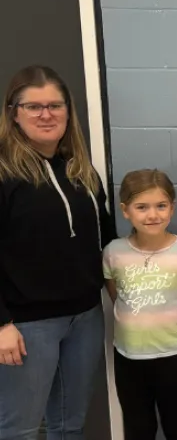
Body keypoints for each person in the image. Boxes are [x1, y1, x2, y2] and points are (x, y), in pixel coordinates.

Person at [0, 65, 117, 439]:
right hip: (26, 325)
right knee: (19, 429)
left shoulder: (81, 171)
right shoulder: (4, 173)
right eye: (33, 106)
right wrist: (1, 324)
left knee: (70, 425)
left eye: (55, 105)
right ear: (14, 114)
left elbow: (108, 239)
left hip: (85, 317)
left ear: (68, 111)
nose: (46, 114)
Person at [103, 169, 177, 440]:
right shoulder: (113, 252)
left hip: (174, 357)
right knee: (138, 429)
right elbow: (119, 297)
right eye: (142, 207)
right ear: (125, 211)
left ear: (172, 208)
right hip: (129, 358)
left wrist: (175, 335)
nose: (152, 215)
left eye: (161, 206)